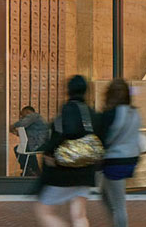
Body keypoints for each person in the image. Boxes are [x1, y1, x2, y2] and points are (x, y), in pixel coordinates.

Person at [35, 75, 100, 227]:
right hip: (86, 170)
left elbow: (60, 134)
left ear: (69, 90)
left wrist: (48, 152)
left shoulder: (67, 109)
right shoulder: (91, 113)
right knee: (79, 215)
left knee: (44, 211)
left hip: (64, 172)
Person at [98, 79, 142, 227]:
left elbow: (102, 138)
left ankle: (119, 223)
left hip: (114, 161)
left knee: (119, 205)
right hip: (130, 158)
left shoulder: (110, 113)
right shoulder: (134, 112)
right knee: (104, 192)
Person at [10, 105, 48, 176]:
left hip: (39, 143)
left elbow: (22, 123)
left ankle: (29, 169)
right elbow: (25, 134)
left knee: (22, 149)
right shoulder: (33, 122)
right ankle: (33, 170)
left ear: (27, 112)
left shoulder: (34, 116)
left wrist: (13, 126)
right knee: (26, 150)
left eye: (22, 113)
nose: (21, 116)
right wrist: (14, 131)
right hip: (37, 143)